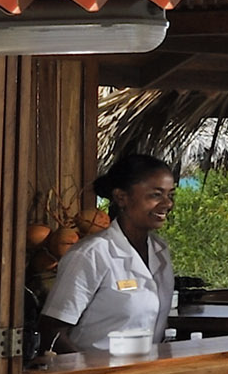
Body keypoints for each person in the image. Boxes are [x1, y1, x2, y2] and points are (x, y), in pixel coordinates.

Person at [38, 152, 177, 357]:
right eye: (156, 195)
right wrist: (91, 371)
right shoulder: (92, 254)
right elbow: (52, 332)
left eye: (170, 195)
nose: (167, 204)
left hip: (145, 371)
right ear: (121, 197)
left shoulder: (160, 251)